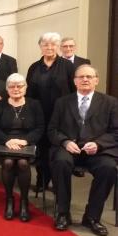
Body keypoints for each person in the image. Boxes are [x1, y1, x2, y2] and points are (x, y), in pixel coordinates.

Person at [48, 65, 117, 236]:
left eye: (89, 76)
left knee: (108, 168)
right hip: (70, 149)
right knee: (61, 162)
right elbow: (52, 130)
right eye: (81, 77)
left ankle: (92, 217)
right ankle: (63, 213)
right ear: (75, 81)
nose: (85, 80)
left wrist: (99, 144)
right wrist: (64, 142)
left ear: (96, 80)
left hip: (97, 151)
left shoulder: (110, 102)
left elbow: (116, 132)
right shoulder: (62, 102)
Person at [0, 73, 44, 221]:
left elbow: (40, 127)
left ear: (26, 87)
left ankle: (24, 201)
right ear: (7, 89)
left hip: (27, 143)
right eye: (12, 86)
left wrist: (26, 141)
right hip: (4, 143)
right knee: (7, 162)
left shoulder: (35, 104)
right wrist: (6, 140)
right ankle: (9, 200)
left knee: (23, 163)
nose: (16, 89)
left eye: (20, 86)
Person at [26, 32, 75, 192]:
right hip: (39, 115)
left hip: (61, 116)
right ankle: (42, 179)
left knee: (57, 148)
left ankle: (56, 181)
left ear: (58, 46)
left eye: (53, 44)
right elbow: (28, 93)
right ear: (40, 47)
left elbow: (74, 91)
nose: (49, 47)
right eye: (45, 44)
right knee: (41, 148)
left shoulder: (67, 66)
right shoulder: (34, 67)